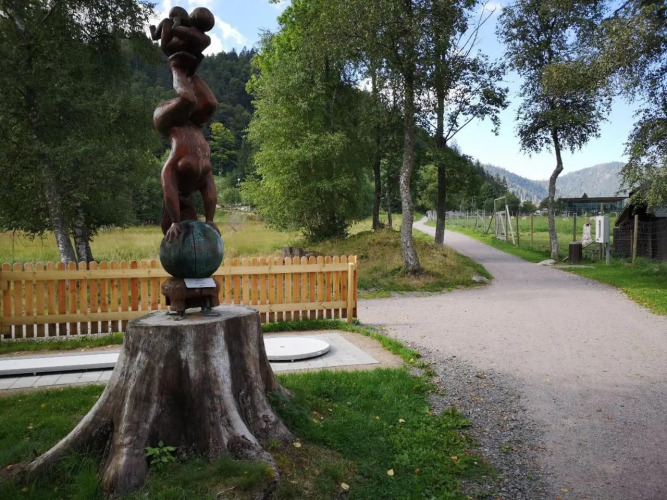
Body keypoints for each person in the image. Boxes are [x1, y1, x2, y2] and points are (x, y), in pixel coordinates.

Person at [153, 52, 219, 242]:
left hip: (167, 120)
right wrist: (209, 220)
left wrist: (175, 221)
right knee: (210, 104)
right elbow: (210, 193)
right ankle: (190, 72)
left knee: (188, 100)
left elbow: (168, 189)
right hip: (188, 123)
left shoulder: (173, 173)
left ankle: (176, 67)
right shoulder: (199, 177)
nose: (183, 201)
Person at [150, 6, 214, 63]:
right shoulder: (208, 39)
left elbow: (174, 30)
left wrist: (177, 22)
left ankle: (154, 35)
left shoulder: (189, 31)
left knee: (166, 21)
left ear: (193, 17)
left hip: (170, 48)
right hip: (192, 54)